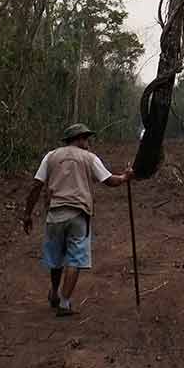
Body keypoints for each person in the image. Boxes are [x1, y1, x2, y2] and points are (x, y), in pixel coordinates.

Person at [21, 123, 133, 317]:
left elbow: (36, 186)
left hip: (55, 214)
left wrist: (27, 214)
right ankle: (64, 303)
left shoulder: (51, 156)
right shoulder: (89, 158)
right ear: (79, 139)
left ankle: (54, 292)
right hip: (78, 215)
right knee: (75, 259)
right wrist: (125, 177)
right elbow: (109, 181)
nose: (88, 143)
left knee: (56, 258)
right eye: (86, 139)